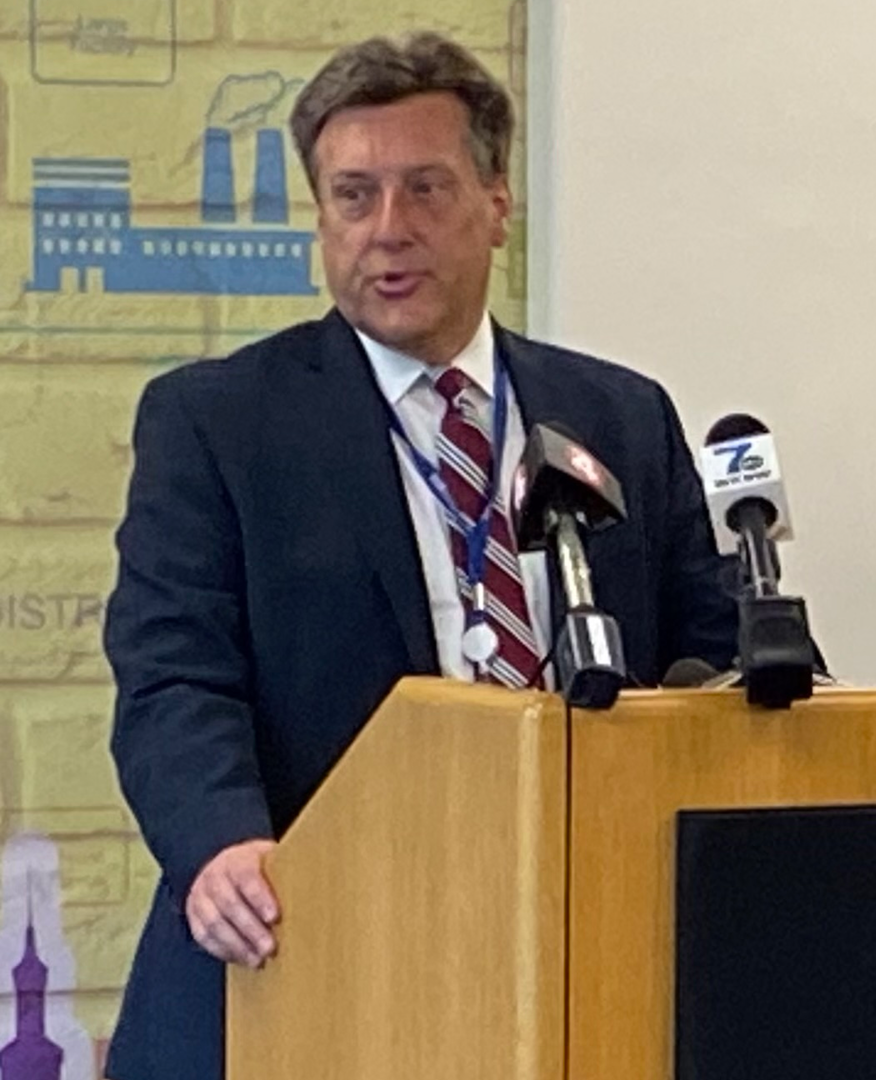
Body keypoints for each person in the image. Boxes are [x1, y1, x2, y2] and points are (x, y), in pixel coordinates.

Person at [102, 32, 737, 1080]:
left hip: (580, 948)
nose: (387, 232)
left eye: (425, 190)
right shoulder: (220, 422)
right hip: (309, 945)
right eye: (353, 197)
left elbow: (699, 654)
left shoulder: (618, 416)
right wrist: (220, 841)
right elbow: (173, 671)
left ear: (496, 202)